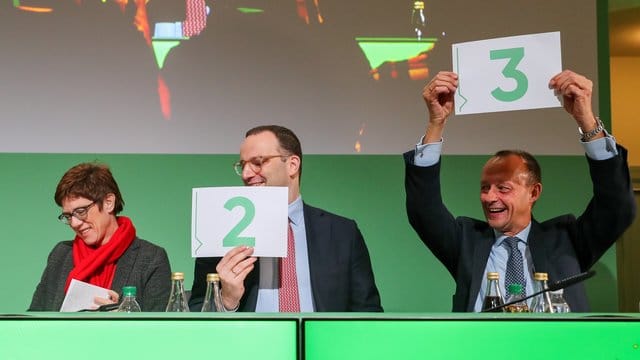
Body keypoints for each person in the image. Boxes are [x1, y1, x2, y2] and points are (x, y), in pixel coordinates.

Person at [404, 70, 636, 312]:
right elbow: (423, 209)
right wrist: (436, 122)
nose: (490, 197)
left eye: (503, 188)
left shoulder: (566, 240)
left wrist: (586, 120)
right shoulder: (467, 241)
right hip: (482, 349)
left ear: (533, 193)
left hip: (553, 349)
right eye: (485, 188)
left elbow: (617, 206)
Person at [189, 125, 382, 312]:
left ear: (292, 165)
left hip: (322, 343)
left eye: (258, 162)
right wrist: (226, 300)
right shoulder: (219, 231)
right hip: (248, 343)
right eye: (242, 166)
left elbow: (367, 312)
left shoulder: (343, 233)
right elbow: (196, 308)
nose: (247, 174)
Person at [29, 162, 171, 311]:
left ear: (108, 202)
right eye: (68, 216)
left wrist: (122, 319)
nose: (75, 223)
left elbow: (161, 328)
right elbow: (34, 318)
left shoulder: (151, 257)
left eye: (81, 211)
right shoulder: (62, 254)